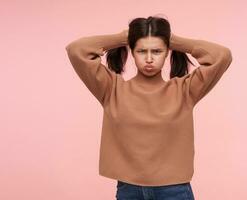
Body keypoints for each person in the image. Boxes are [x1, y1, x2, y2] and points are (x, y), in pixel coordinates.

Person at [65, 16, 232, 200]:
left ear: (168, 52)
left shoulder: (184, 91)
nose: (150, 58)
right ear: (132, 52)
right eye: (142, 51)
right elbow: (76, 50)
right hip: (129, 190)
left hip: (174, 191)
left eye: (158, 51)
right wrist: (123, 37)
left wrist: (174, 40)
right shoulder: (111, 89)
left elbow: (222, 56)